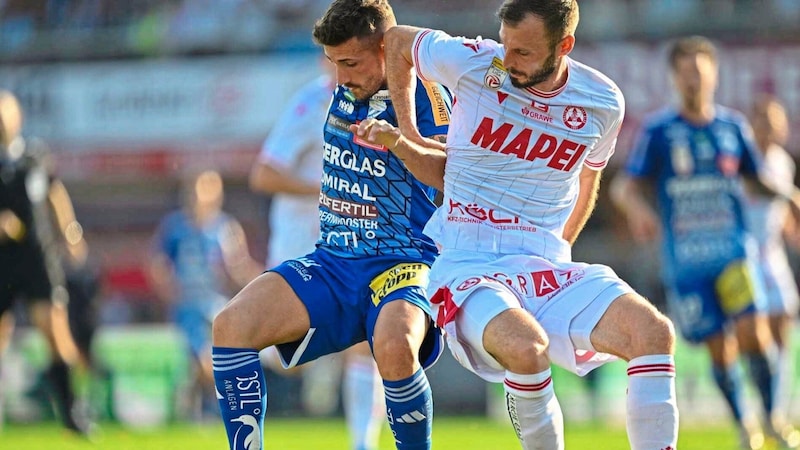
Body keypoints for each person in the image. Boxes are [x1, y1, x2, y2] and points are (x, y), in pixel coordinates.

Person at [351, 1, 680, 449]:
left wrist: (561, 247)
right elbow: (399, 40)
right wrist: (408, 132)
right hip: (470, 262)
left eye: (524, 53)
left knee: (654, 333)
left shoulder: (603, 102)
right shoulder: (476, 61)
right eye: (507, 44)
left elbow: (588, 176)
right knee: (527, 349)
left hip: (545, 265)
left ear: (564, 46)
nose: (508, 60)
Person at [211, 1, 451, 449]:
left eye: (350, 63)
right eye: (333, 63)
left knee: (395, 345)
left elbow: (449, 175)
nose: (340, 77)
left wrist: (398, 142)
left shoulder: (428, 94)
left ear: (385, 49)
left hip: (403, 262)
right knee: (230, 325)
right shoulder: (336, 92)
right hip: (334, 261)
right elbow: (267, 170)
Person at [610, 36, 800, 449]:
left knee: (755, 334)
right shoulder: (660, 131)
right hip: (687, 264)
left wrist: (788, 195)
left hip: (733, 253)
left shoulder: (732, 128)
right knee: (720, 349)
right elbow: (626, 185)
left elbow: (754, 178)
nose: (695, 79)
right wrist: (640, 211)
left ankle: (772, 417)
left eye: (701, 71)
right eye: (687, 71)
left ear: (714, 74)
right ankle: (745, 424)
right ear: (675, 77)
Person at [249, 57, 385, 450]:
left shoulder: (379, 106)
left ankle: (363, 443)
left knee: (366, 336)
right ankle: (263, 355)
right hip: (299, 246)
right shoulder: (310, 103)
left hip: (349, 244)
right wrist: (326, 191)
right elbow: (264, 173)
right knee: (285, 355)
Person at [0, 90, 89, 435]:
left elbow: (54, 191)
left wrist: (70, 231)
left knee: (54, 332)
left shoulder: (34, 155)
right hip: (3, 262)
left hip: (37, 258)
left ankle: (71, 413)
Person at [149, 169, 261, 421]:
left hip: (218, 306)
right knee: (203, 360)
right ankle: (206, 406)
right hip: (188, 306)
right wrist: (167, 287)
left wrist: (264, 280)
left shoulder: (226, 228)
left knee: (219, 363)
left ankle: (199, 402)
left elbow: (238, 266)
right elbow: (157, 262)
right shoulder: (175, 227)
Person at [746, 94, 800, 441]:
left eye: (773, 121)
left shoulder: (783, 161)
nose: (768, 127)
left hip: (772, 253)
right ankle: (755, 413)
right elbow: (757, 192)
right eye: (762, 119)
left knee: (785, 328)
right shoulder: (743, 158)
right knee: (752, 335)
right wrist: (788, 195)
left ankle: (776, 413)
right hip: (744, 253)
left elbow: (779, 219)